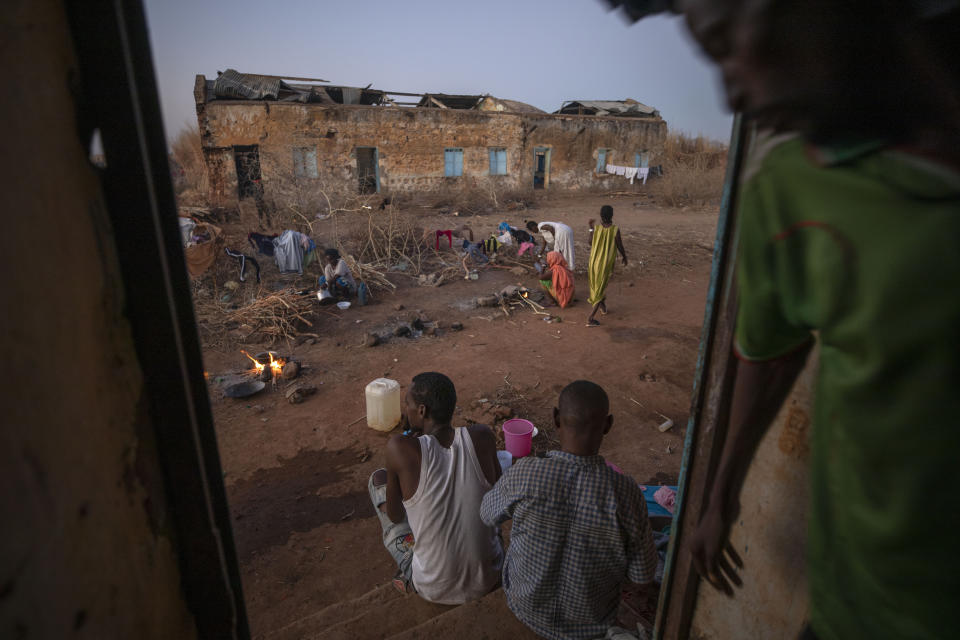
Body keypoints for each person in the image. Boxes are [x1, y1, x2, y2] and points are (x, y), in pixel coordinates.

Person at [676, 2, 960, 639]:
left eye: (727, 41)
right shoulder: (792, 191)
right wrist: (721, 493)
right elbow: (770, 350)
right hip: (846, 608)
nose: (729, 90)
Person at [480, 380, 656, 640]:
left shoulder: (526, 472)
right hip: (590, 623)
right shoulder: (626, 493)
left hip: (524, 606)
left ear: (555, 419)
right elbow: (642, 576)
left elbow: (487, 514)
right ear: (608, 425)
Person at [368, 372, 503, 603]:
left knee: (378, 481)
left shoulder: (400, 447)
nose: (405, 411)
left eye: (407, 405)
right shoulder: (482, 437)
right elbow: (499, 498)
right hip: (490, 577)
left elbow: (396, 515)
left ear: (421, 411)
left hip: (434, 589)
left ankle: (409, 574)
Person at [586, 206, 627, 326]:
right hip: (605, 264)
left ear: (600, 215)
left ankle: (603, 307)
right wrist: (625, 257)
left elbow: (590, 243)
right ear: (612, 215)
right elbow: (620, 245)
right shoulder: (615, 230)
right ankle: (590, 318)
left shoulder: (596, 228)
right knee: (600, 287)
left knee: (598, 286)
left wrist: (590, 228)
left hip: (593, 263)